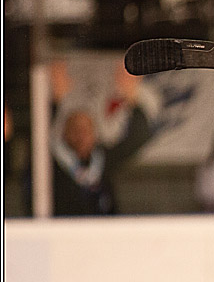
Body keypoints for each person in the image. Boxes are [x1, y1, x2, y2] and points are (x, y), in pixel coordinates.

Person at [50, 61, 153, 216]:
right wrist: (54, 101)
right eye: (75, 129)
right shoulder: (51, 164)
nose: (81, 135)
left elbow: (139, 136)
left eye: (87, 130)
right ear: (64, 135)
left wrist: (131, 95)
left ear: (95, 135)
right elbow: (36, 135)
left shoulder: (103, 160)